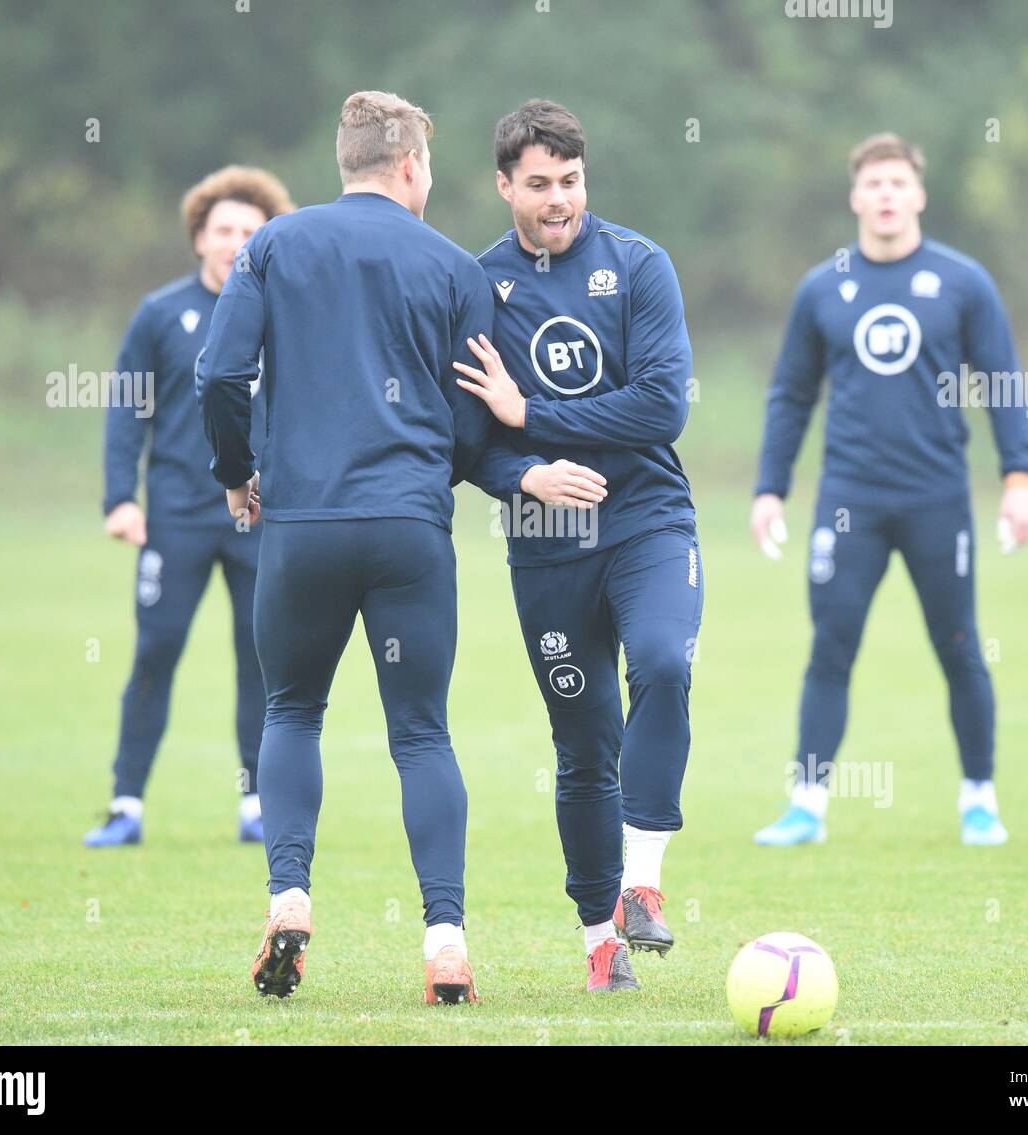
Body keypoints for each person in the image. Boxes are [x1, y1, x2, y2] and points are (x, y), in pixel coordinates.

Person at [197, 91, 493, 1003]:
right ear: (410, 165)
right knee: (422, 732)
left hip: (302, 528)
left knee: (290, 712)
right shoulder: (451, 263)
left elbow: (218, 372)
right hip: (408, 529)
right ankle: (444, 937)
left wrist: (237, 472)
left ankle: (289, 896)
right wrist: (426, 485)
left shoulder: (276, 244)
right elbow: (476, 420)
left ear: (345, 161)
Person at [457, 100, 702, 992]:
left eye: (569, 182)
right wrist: (525, 474)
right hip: (545, 539)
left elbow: (661, 404)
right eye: (537, 184)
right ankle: (603, 942)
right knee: (584, 745)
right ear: (503, 185)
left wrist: (536, 417)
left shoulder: (639, 265)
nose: (556, 200)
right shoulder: (476, 287)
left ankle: (645, 884)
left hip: (646, 518)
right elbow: (468, 440)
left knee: (666, 663)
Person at [749, 133, 1028, 848]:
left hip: (938, 497)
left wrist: (1019, 478)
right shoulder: (823, 287)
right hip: (849, 500)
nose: (885, 195)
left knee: (960, 645)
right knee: (831, 645)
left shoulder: (962, 281)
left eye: (897, 183)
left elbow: (1002, 384)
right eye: (873, 183)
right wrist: (769, 489)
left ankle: (979, 799)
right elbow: (791, 394)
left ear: (918, 196)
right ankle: (809, 805)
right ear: (855, 196)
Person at [88, 166, 294, 848]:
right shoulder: (158, 313)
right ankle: (126, 803)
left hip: (261, 517)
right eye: (223, 230)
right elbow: (127, 412)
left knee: (260, 657)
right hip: (175, 515)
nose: (235, 242)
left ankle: (257, 803)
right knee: (157, 651)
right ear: (199, 237)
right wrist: (121, 498)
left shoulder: (285, 313)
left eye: (249, 231)